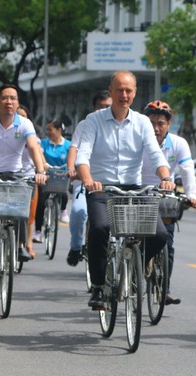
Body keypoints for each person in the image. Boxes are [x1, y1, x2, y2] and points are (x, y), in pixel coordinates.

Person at [75, 71, 175, 310]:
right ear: (111, 91)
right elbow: (83, 155)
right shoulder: (93, 120)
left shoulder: (142, 122)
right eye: (119, 89)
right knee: (100, 228)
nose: (124, 95)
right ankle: (98, 287)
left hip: (133, 189)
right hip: (102, 188)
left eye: (129, 90)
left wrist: (166, 178)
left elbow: (154, 154)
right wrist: (88, 180)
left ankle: (135, 266)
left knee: (160, 235)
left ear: (135, 92)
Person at [0, 84, 47, 297]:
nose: (9, 102)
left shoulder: (25, 123)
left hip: (15, 177)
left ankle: (20, 243)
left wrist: (40, 170)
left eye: (13, 98)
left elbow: (33, 147)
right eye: (4, 98)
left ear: (18, 102)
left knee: (22, 209)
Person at [141, 99, 196, 306]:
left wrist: (191, 195)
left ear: (168, 125)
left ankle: (163, 289)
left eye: (161, 123)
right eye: (152, 123)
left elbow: (187, 170)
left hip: (166, 197)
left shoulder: (178, 143)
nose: (156, 128)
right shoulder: (137, 140)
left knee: (167, 242)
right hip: (139, 194)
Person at [65, 90, 112, 267]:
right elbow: (74, 149)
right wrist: (71, 169)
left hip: (111, 183)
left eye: (107, 106)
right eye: (100, 106)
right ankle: (76, 246)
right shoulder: (85, 125)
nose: (103, 110)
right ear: (93, 108)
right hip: (86, 181)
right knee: (79, 211)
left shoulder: (121, 125)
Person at [33, 119, 72, 242]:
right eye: (47, 130)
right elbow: (39, 153)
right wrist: (42, 164)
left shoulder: (68, 145)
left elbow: (72, 159)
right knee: (41, 202)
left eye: (50, 129)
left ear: (59, 130)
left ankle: (63, 210)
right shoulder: (44, 143)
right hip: (45, 175)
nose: (48, 132)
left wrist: (71, 169)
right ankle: (38, 231)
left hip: (62, 175)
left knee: (64, 194)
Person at [16, 105, 40, 260]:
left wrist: (42, 169)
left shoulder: (32, 136)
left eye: (24, 116)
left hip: (29, 178)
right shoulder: (9, 134)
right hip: (12, 178)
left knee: (30, 214)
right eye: (18, 116)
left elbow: (37, 151)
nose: (20, 119)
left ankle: (28, 242)